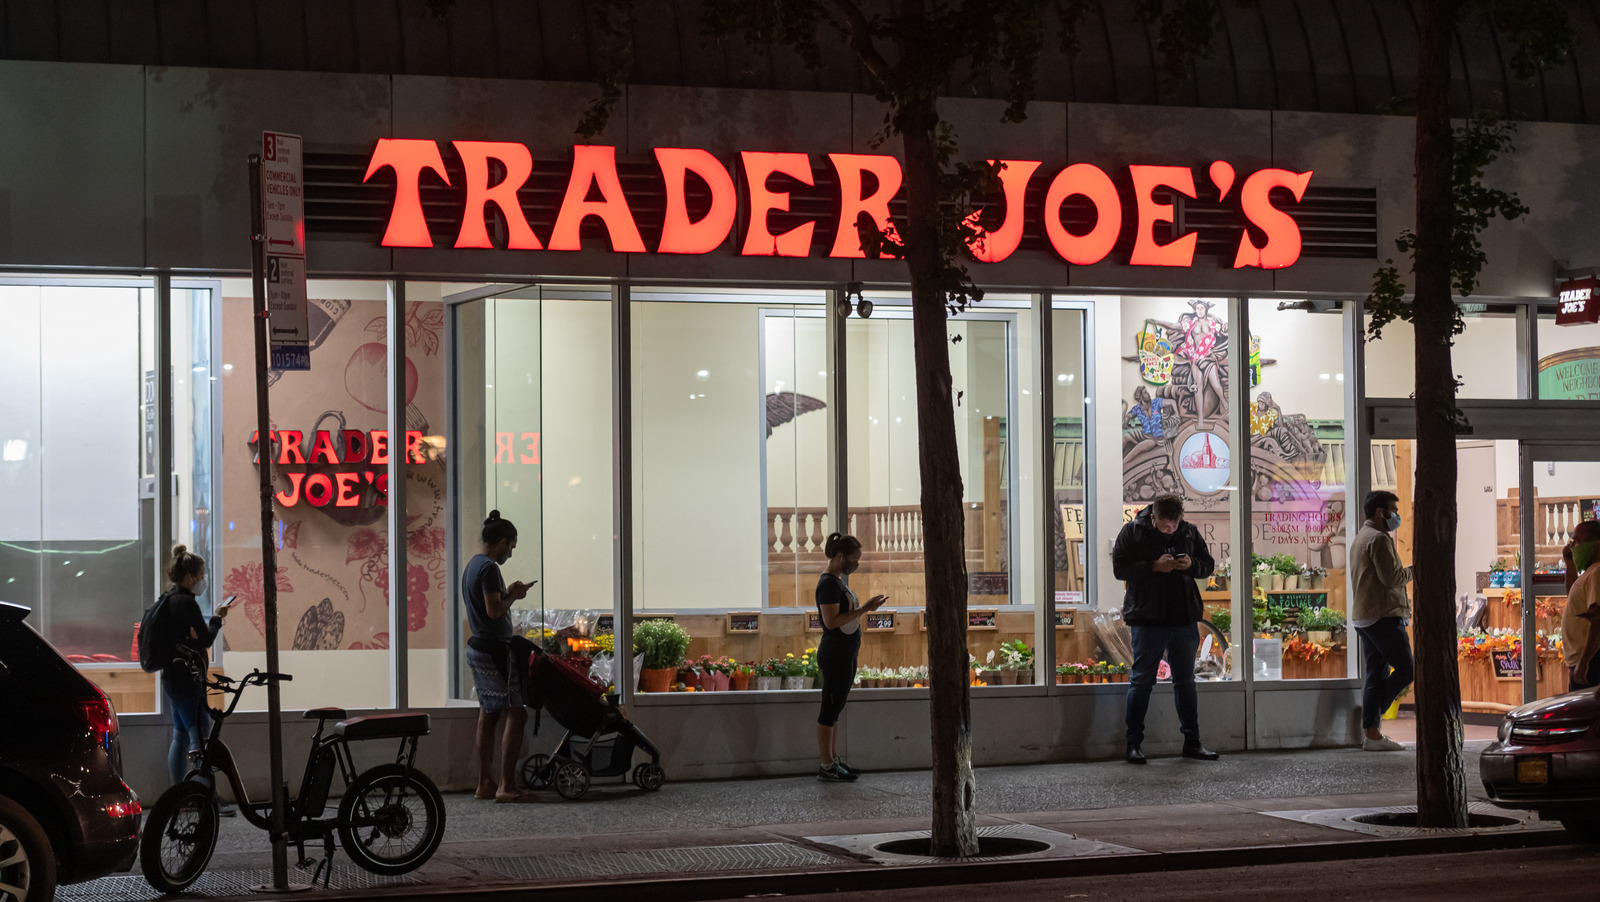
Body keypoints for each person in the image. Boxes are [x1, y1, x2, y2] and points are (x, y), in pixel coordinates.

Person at [1112, 493, 1219, 764]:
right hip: (1148, 619)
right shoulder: (1133, 531)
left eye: (1174, 524)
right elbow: (1120, 569)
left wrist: (1191, 565)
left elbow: (1207, 565)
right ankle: (1133, 744)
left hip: (1183, 618)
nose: (1170, 530)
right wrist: (1153, 567)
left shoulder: (1190, 532)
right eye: (1165, 525)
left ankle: (1192, 742)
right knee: (1142, 681)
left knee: (1186, 683)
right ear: (1154, 516)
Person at [463, 510, 533, 802]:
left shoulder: (472, 566)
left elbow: (488, 604)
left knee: (488, 714)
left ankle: (485, 784)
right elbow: (494, 611)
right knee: (517, 713)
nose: (510, 554)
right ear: (502, 541)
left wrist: (508, 592)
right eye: (511, 547)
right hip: (494, 650)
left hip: (478, 647)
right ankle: (506, 786)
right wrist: (514, 596)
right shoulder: (489, 568)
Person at [159, 545, 232, 811]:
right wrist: (217, 618)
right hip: (188, 681)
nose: (202, 581)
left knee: (180, 734)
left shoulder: (167, 600)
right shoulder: (186, 603)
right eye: (201, 576)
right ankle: (202, 793)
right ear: (190, 577)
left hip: (172, 678)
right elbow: (205, 638)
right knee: (200, 734)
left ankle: (178, 791)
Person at [814, 532, 887, 782]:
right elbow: (832, 621)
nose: (855, 565)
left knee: (836, 709)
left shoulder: (838, 582)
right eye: (854, 560)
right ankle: (826, 764)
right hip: (835, 654)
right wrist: (865, 609)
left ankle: (833, 760)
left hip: (845, 653)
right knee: (829, 708)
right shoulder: (828, 585)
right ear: (840, 557)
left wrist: (865, 608)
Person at [1349, 490, 1415, 751]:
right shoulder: (1378, 539)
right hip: (1383, 615)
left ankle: (1372, 734)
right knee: (1407, 670)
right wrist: (1415, 570)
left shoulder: (1361, 538)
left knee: (1375, 674)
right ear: (1380, 512)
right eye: (1393, 510)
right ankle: (1373, 718)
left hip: (1364, 617)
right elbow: (1392, 578)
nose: (1396, 516)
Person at [1560, 519, 1600, 691]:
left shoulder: (1597, 572)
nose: (1573, 546)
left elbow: (1597, 619)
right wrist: (1570, 563)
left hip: (1590, 662)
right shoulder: (1589, 573)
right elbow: (1573, 597)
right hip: (1581, 661)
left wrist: (1584, 663)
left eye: (1578, 541)